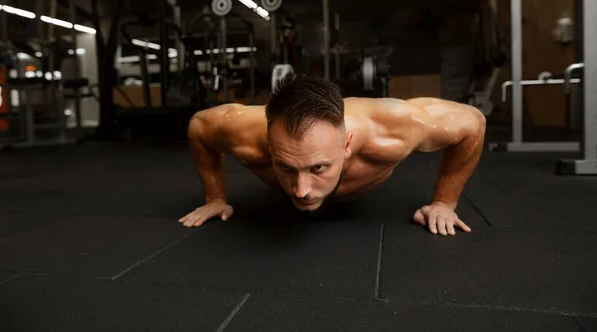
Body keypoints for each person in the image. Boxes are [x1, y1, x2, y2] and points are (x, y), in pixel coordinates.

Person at [180, 73, 486, 237]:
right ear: (269, 145)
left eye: (318, 168)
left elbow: (473, 122)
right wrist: (215, 198)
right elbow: (198, 127)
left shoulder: (396, 129)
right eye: (285, 167)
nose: (300, 191)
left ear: (347, 145)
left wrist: (444, 203)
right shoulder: (243, 132)